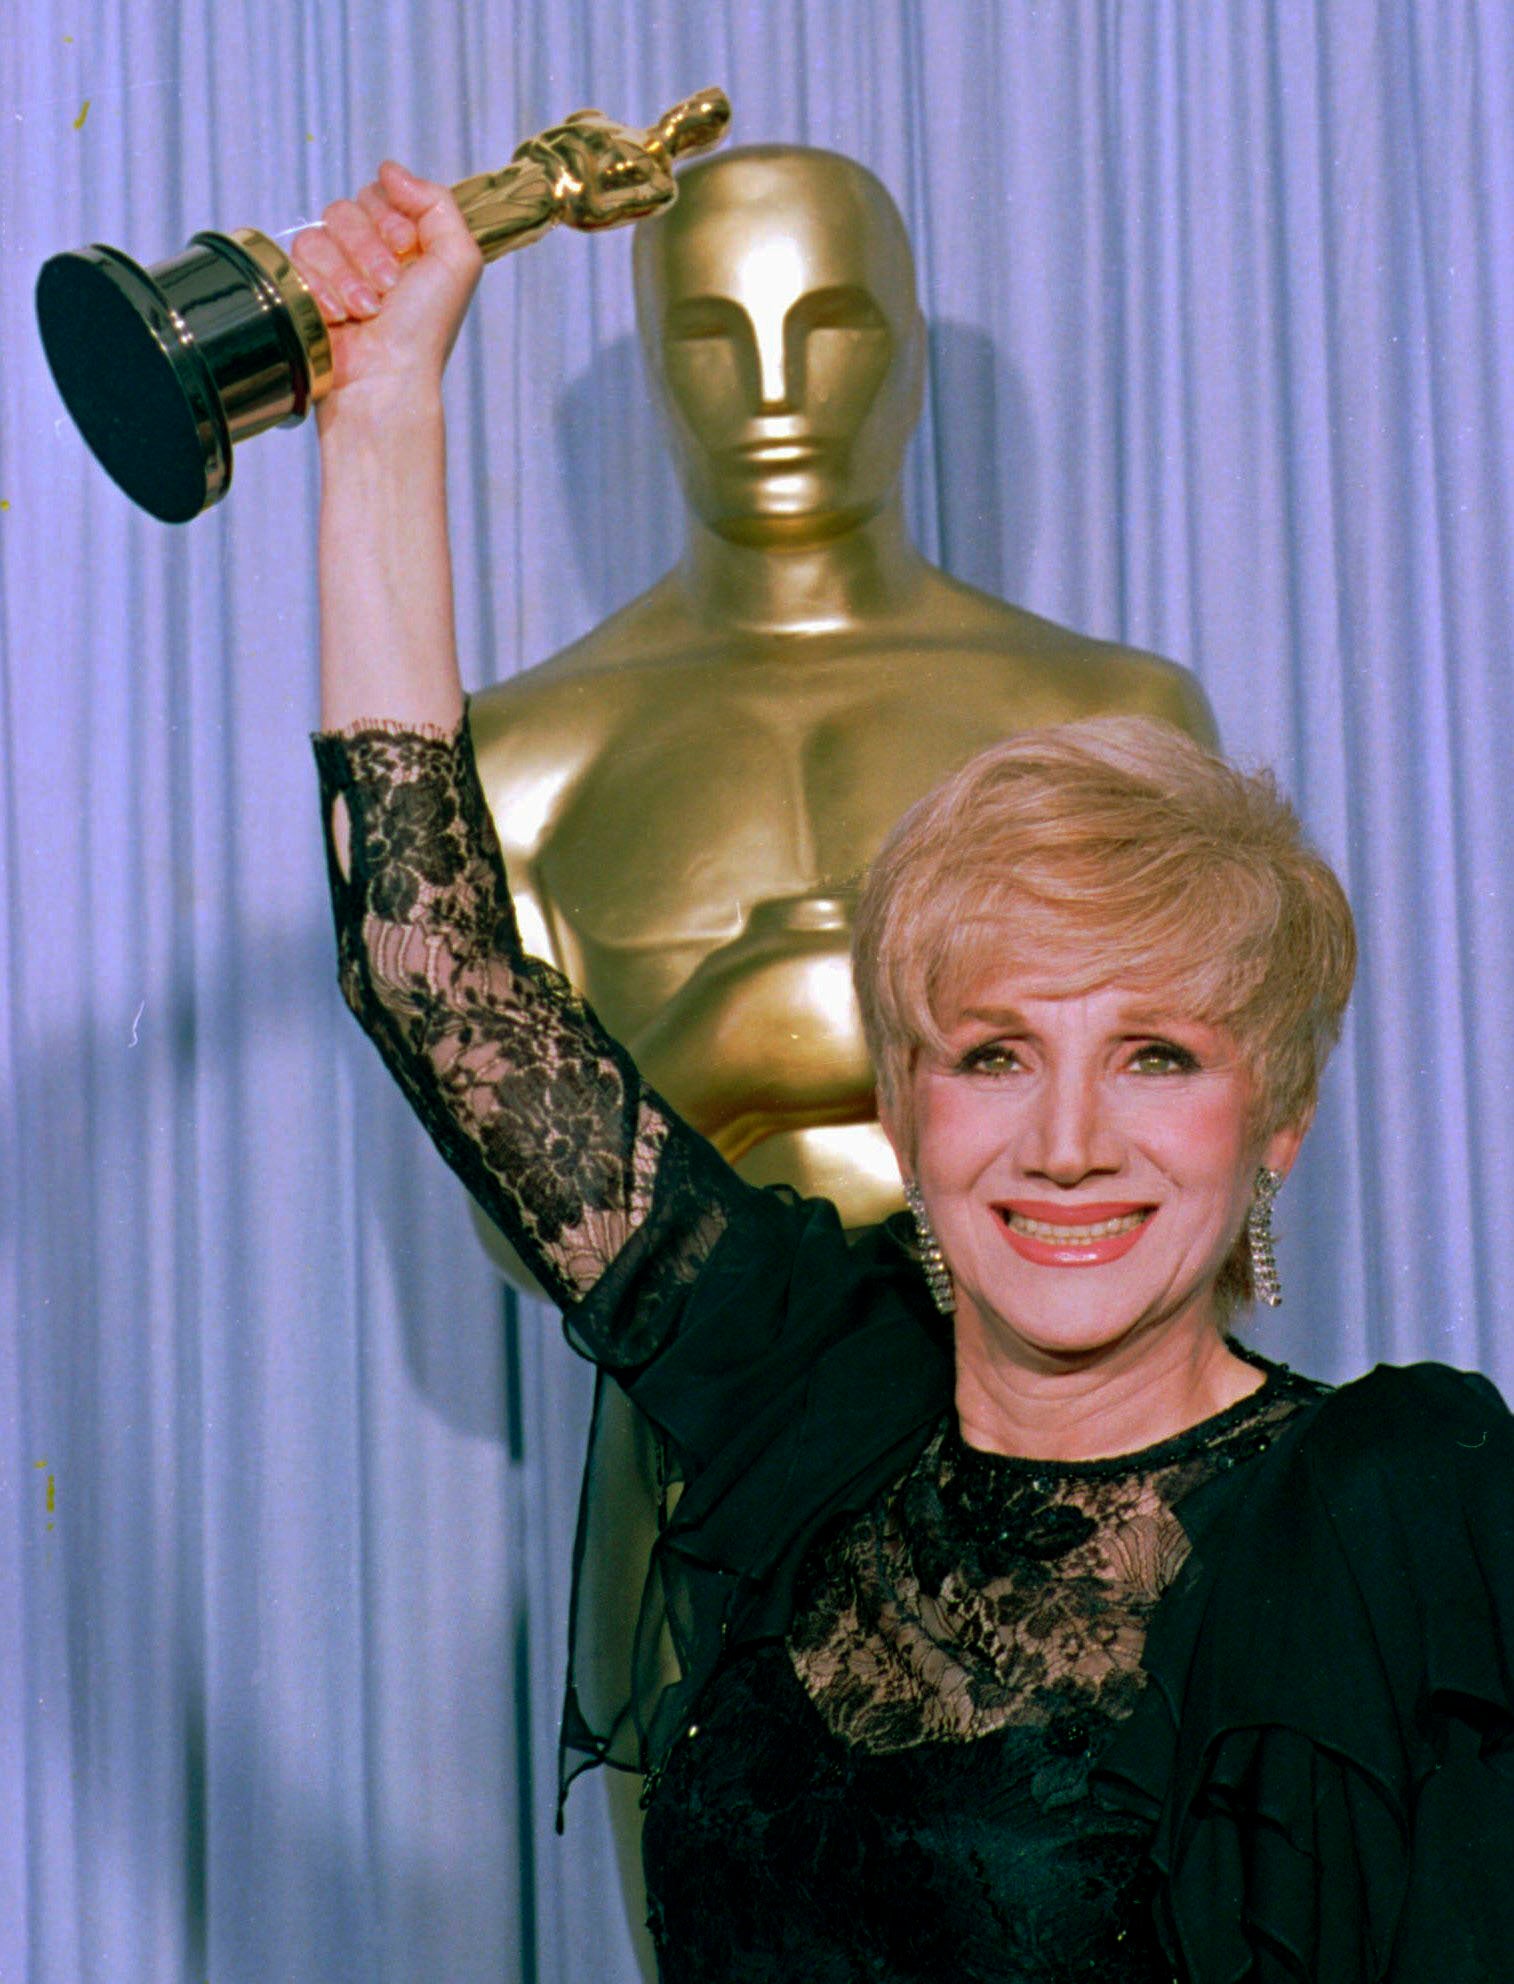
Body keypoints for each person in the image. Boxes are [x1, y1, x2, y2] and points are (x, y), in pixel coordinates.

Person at [296, 163, 1514, 1982]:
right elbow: (429, 968)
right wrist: (382, 410)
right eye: (994, 1053)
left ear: (1279, 1112)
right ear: (906, 1101)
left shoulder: (1387, 1507)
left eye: (1156, 1054)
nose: (1069, 1142)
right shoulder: (805, 1397)